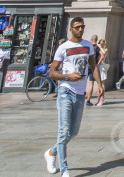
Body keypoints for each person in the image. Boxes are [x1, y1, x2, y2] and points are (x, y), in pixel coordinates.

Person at [42, 17, 99, 177]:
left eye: (83, 27)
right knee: (63, 130)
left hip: (80, 94)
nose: (81, 29)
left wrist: (100, 85)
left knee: (73, 132)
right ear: (71, 29)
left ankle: (52, 153)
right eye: (78, 27)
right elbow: (52, 73)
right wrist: (67, 77)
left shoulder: (88, 45)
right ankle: (65, 169)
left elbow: (93, 65)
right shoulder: (63, 48)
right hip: (65, 91)